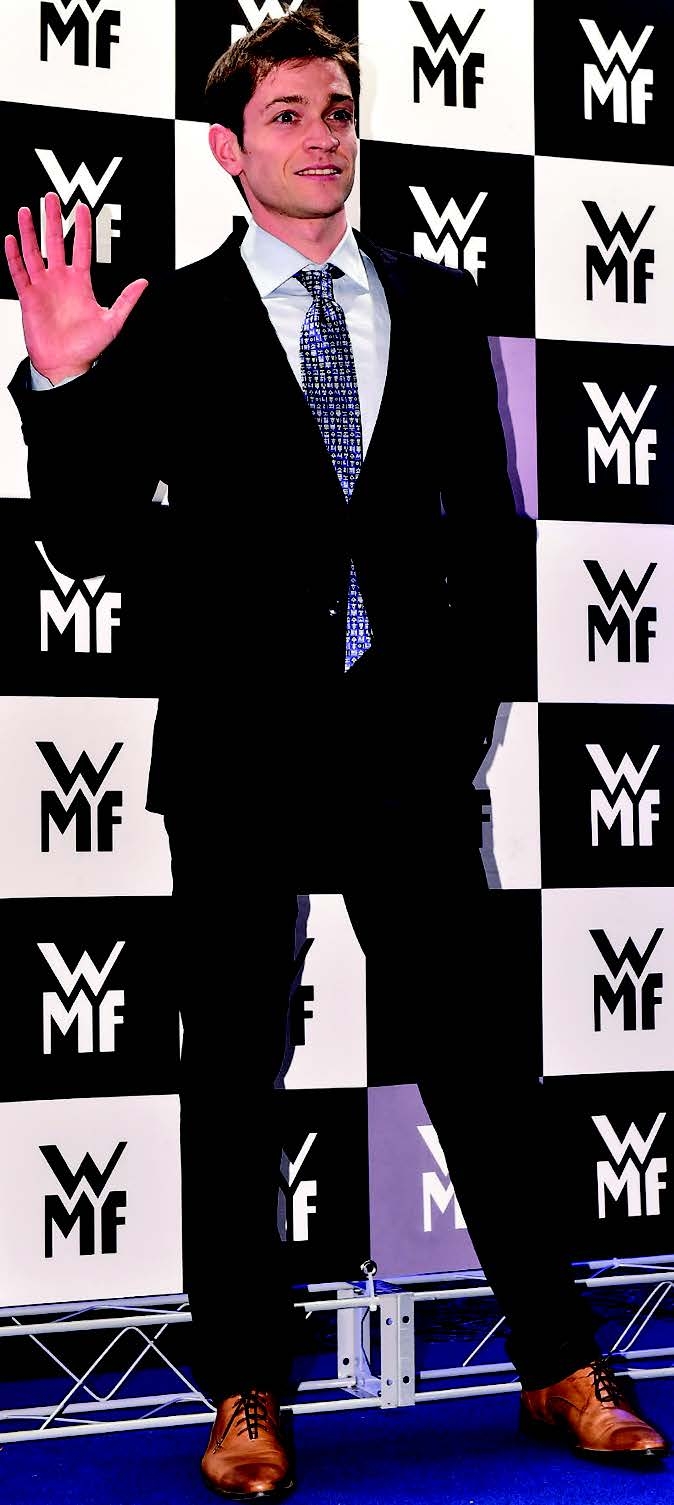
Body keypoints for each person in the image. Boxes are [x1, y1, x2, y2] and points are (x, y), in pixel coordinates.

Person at [5, 7, 667, 1498]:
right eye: (289, 115)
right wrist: (60, 384)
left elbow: (487, 527)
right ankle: (245, 1383)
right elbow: (88, 537)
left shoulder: (433, 303)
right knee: (234, 1076)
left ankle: (560, 1362)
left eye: (339, 111)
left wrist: (465, 709)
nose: (324, 137)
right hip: (236, 744)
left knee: (479, 1064)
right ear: (229, 149)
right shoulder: (174, 316)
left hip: (404, 742)